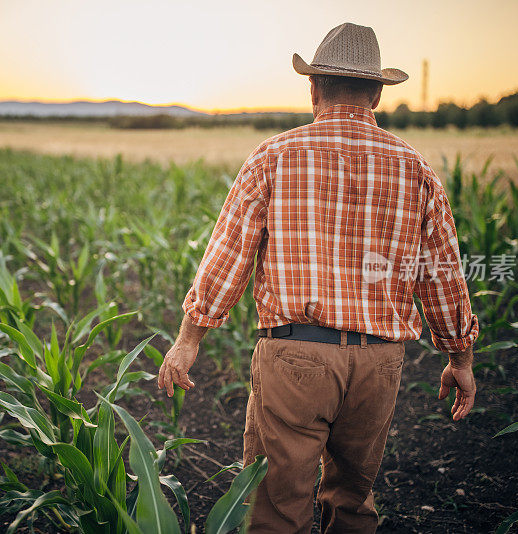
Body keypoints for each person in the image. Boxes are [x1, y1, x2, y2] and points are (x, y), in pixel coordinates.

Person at [157, 22, 479, 533]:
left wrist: (188, 339)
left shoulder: (275, 155)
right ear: (376, 93)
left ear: (313, 88)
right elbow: (441, 275)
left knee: (276, 508)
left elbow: (229, 255)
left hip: (295, 357)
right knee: (352, 502)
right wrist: (459, 356)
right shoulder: (414, 168)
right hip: (379, 363)